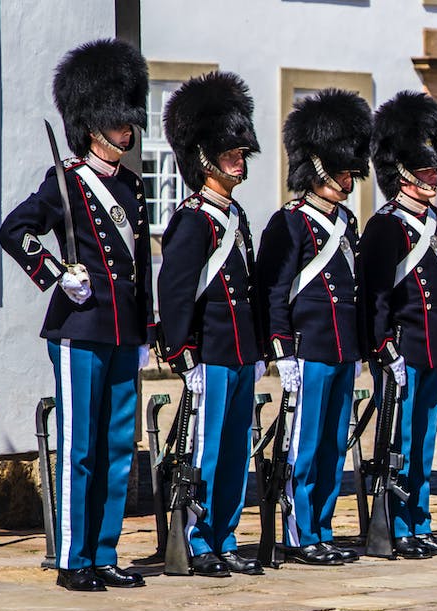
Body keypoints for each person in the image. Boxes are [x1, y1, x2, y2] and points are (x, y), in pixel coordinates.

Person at [0, 38, 153, 592]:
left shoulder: (133, 188)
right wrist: (55, 272)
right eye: (118, 124)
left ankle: (105, 551)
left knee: (115, 448)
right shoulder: (64, 182)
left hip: (122, 330)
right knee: (81, 447)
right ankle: (71, 557)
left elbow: (140, 269)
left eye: (129, 123)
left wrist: (146, 330)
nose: (127, 132)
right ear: (93, 126)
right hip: (78, 326)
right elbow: (13, 231)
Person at [257, 89, 372, 565]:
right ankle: (300, 532)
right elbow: (273, 292)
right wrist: (283, 353)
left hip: (342, 351)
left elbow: (357, 292)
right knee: (303, 450)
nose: (349, 179)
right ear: (318, 168)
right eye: (342, 170)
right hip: (307, 350)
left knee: (332, 448)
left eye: (351, 170)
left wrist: (361, 347)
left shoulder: (346, 221)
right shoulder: (290, 223)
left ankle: (322, 527)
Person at [158, 71, 266, 576]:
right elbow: (176, 292)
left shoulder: (235, 215)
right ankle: (198, 541)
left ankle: (224, 536)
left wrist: (262, 348)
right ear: (203, 157)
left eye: (240, 154)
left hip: (241, 353)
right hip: (211, 355)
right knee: (206, 454)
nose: (237, 160)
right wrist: (183, 354)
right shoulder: (193, 219)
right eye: (229, 154)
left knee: (234, 456)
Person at [358, 91, 437, 559]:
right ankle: (394, 522)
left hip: (433, 348)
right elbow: (375, 297)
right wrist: (382, 347)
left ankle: (418, 519)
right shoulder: (383, 227)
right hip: (399, 351)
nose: (432, 177)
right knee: (397, 443)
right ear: (400, 172)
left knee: (424, 442)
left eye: (434, 169)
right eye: (424, 171)